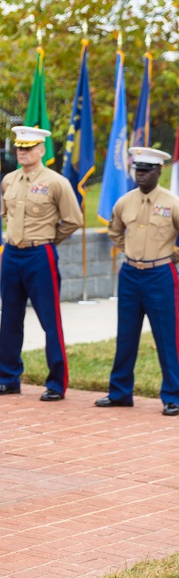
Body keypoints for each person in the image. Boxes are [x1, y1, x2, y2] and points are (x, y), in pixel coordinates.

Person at [0, 126, 83, 401]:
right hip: (12, 254)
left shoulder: (56, 182)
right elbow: (5, 214)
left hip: (40, 255)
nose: (22, 152)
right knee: (10, 318)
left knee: (49, 320)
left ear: (41, 150)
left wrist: (48, 240)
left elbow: (73, 220)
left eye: (28, 148)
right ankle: (8, 378)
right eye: (19, 147)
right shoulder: (8, 180)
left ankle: (56, 383)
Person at [97, 147, 179, 416]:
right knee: (126, 335)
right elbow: (115, 230)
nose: (140, 176)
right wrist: (130, 251)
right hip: (131, 274)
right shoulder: (125, 201)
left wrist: (172, 256)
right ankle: (120, 392)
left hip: (160, 275)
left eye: (146, 171)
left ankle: (173, 396)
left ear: (159, 171)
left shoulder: (172, 202)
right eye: (137, 171)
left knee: (168, 337)